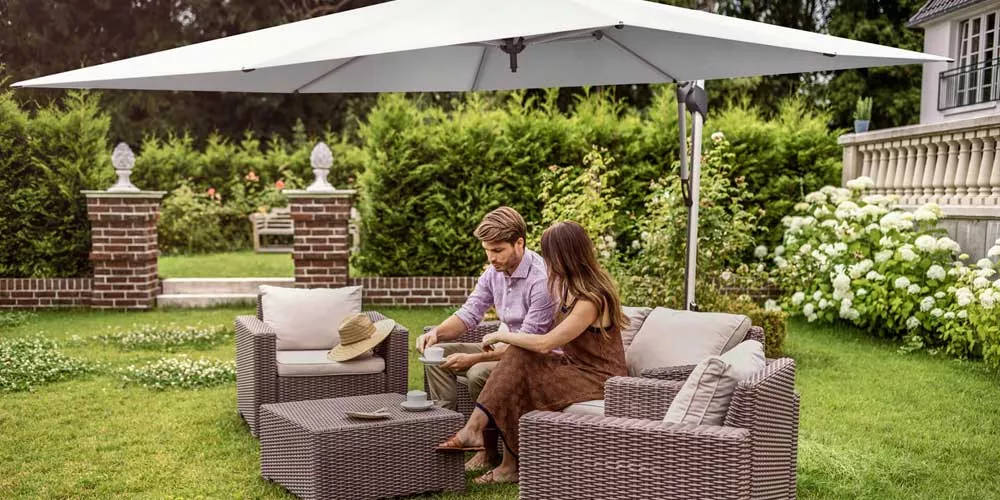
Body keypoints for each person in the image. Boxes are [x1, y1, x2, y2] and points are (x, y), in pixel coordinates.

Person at [435, 221, 628, 485]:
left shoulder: (592, 299)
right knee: (518, 359)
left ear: (565, 256)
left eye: (550, 255)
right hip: (574, 367)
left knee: (519, 363)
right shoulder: (566, 288)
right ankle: (493, 448)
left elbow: (545, 343)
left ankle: (486, 442)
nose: (546, 261)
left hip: (600, 378)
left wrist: (502, 335)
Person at [417, 206, 555, 471]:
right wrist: (436, 333)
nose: (491, 258)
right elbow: (469, 313)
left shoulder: (541, 281)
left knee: (478, 371)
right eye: (487, 250)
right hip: (505, 346)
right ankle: (445, 426)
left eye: (497, 250)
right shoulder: (494, 272)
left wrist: (476, 357)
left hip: (532, 357)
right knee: (437, 355)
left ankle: (489, 449)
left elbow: (527, 344)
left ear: (519, 243)